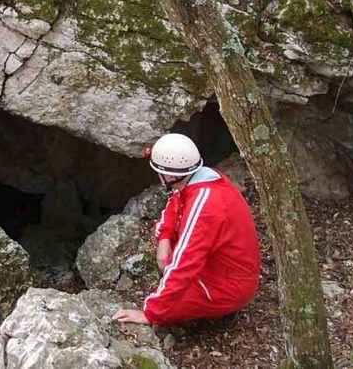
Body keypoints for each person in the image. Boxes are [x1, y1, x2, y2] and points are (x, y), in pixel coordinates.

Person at [112, 133, 261, 325]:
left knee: (172, 304)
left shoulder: (205, 207)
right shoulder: (203, 180)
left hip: (229, 287)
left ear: (171, 176)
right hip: (229, 272)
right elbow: (175, 202)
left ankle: (215, 305)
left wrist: (151, 313)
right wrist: (165, 238)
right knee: (172, 248)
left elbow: (186, 261)